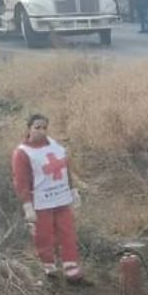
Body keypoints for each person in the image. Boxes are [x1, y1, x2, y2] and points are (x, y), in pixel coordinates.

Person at [11, 114, 87, 284]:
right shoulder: (22, 153)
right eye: (37, 127)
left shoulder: (54, 145)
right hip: (41, 202)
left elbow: (65, 168)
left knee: (68, 234)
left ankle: (72, 272)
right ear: (29, 128)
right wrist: (27, 205)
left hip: (61, 198)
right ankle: (50, 272)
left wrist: (73, 190)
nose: (41, 131)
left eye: (44, 127)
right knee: (44, 237)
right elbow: (21, 181)